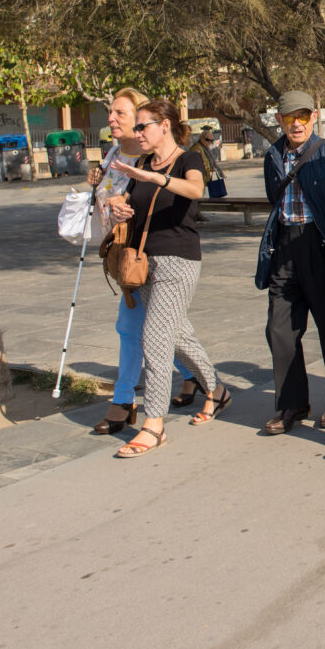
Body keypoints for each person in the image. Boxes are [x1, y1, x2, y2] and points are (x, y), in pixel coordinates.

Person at [106, 99, 229, 457]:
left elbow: (194, 190)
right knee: (177, 335)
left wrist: (154, 177)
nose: (137, 132)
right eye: (137, 126)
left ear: (165, 126)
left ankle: (153, 424)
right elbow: (130, 200)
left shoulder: (189, 158)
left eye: (143, 126)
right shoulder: (141, 163)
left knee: (155, 336)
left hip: (178, 261)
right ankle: (216, 389)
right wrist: (118, 204)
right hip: (144, 261)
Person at [85, 87, 193, 435]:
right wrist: (98, 186)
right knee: (164, 328)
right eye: (111, 113)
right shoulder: (113, 154)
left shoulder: (147, 158)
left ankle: (124, 401)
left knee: (133, 329)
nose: (112, 119)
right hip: (122, 253)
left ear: (142, 122)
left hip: (150, 255)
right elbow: (108, 198)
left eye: (121, 113)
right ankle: (198, 379)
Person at [253, 91, 325, 435]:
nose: (296, 123)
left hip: (321, 247)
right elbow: (273, 198)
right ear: (278, 120)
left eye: (303, 116)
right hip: (285, 247)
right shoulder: (273, 155)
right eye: (289, 117)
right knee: (279, 331)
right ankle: (293, 402)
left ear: (315, 116)